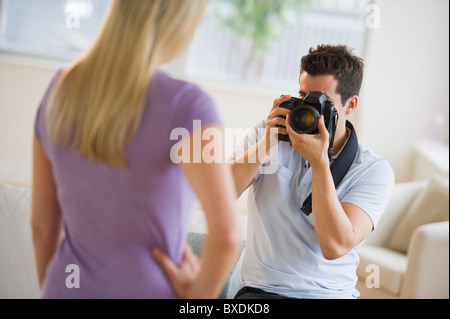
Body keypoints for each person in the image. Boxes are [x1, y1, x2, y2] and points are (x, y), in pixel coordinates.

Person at [31, 0, 240, 299]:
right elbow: (227, 236)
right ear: (177, 21)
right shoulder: (188, 106)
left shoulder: (58, 90)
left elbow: (41, 227)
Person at [230, 45, 395, 299]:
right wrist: (266, 144)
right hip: (263, 292)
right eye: (304, 97)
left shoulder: (374, 171)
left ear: (350, 105)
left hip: (329, 294)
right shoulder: (269, 134)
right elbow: (221, 193)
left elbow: (334, 245)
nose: (311, 110)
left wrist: (319, 164)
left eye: (323, 102)